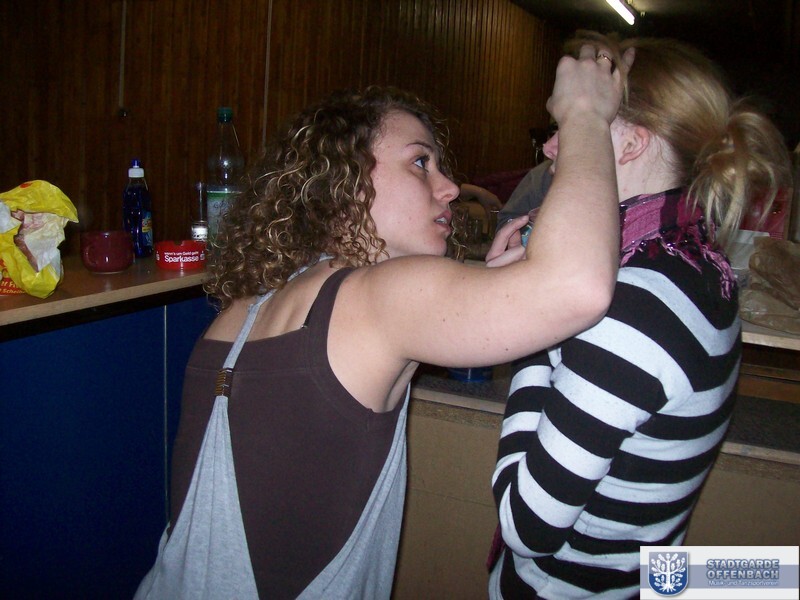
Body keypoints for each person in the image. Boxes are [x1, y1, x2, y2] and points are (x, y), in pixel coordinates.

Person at [134, 41, 632, 600]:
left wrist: (489, 285)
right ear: (345, 182)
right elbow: (578, 288)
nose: (449, 187)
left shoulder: (253, 304)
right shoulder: (374, 299)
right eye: (420, 163)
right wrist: (585, 116)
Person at [487, 31, 792, 599]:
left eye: (569, 123)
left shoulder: (631, 305)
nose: (551, 148)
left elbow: (525, 526)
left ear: (629, 144)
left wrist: (533, 312)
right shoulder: (693, 262)